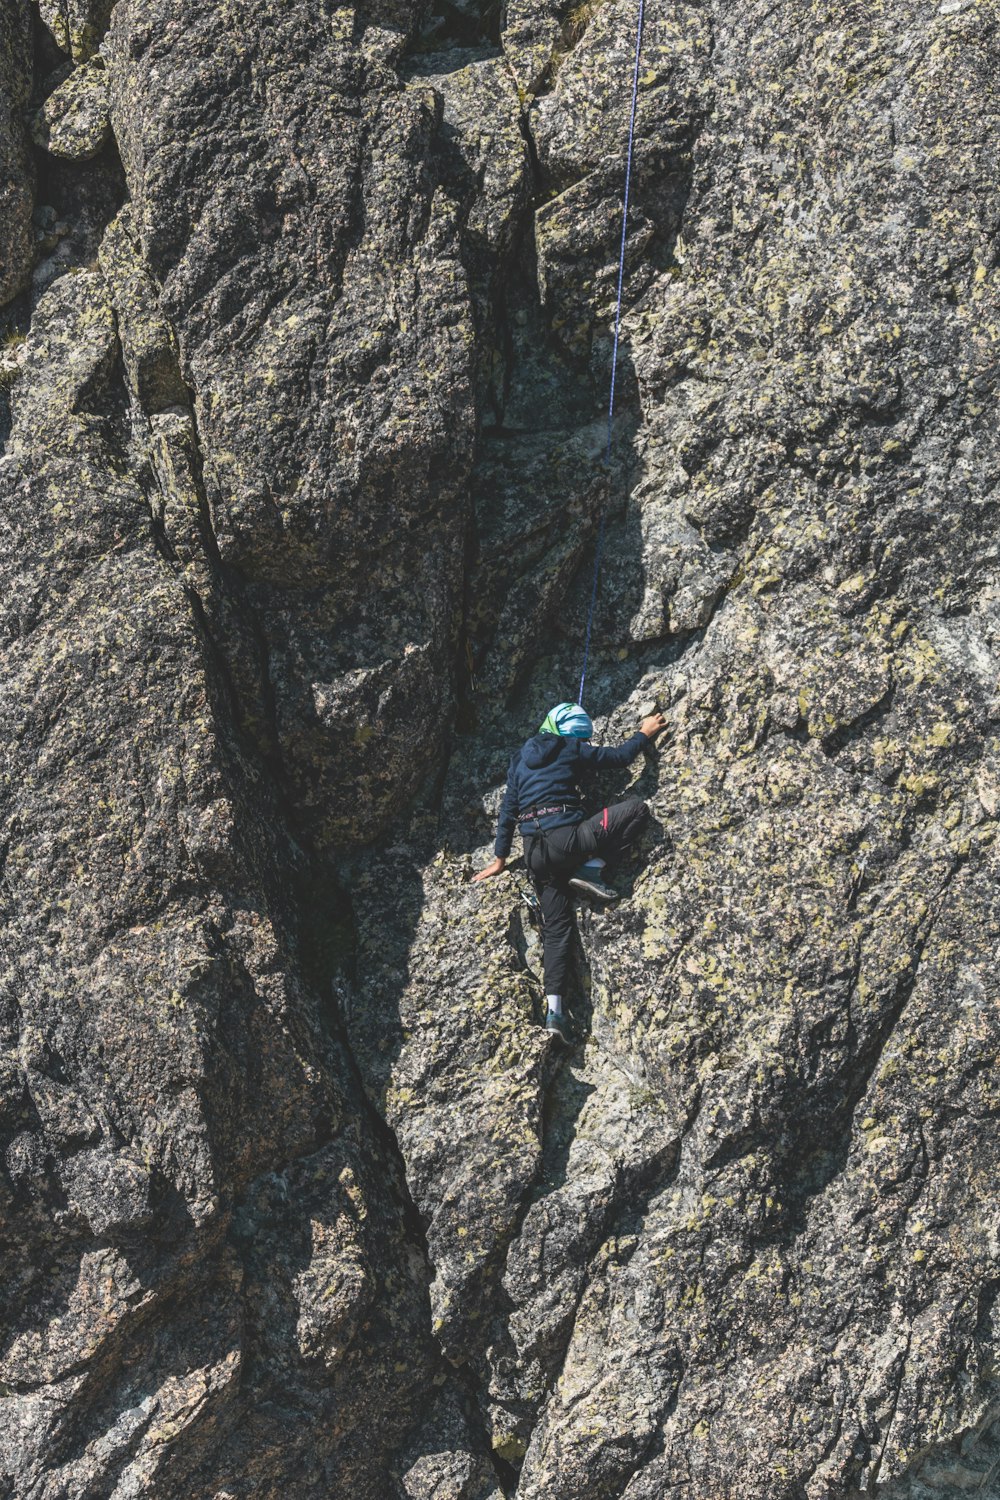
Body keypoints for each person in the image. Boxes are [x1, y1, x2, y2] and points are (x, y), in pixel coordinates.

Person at [474, 701, 667, 1045]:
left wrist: (500, 859)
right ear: (570, 735)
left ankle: (555, 1013)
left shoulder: (519, 759)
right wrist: (644, 733)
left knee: (557, 930)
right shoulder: (570, 747)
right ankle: (591, 870)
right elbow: (619, 759)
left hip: (535, 854)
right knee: (636, 810)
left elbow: (507, 813)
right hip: (569, 841)